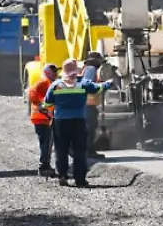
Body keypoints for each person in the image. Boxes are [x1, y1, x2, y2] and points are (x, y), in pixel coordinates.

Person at [44, 59, 116, 187]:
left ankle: (62, 175)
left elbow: (47, 102)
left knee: (61, 150)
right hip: (78, 122)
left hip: (60, 122)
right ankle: (80, 179)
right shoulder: (83, 84)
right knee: (80, 151)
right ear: (75, 70)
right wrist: (109, 83)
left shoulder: (56, 85)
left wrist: (53, 109)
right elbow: (98, 89)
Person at [28, 63, 58, 177]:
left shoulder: (49, 83)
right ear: (48, 72)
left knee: (47, 144)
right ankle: (43, 167)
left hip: (45, 118)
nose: (55, 73)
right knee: (46, 144)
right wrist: (42, 107)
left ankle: (46, 165)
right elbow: (32, 94)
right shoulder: (44, 83)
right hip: (41, 118)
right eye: (53, 71)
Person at [81, 51, 104, 157]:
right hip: (88, 104)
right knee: (90, 128)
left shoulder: (86, 69)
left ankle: (87, 150)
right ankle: (89, 151)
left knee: (89, 128)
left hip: (87, 104)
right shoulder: (91, 69)